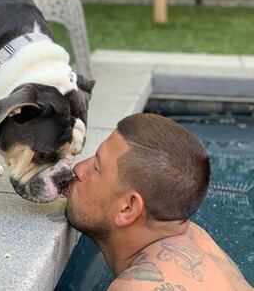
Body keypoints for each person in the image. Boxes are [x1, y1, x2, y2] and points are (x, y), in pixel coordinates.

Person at [64, 113, 252, 291]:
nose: (78, 168)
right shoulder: (194, 237)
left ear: (128, 208)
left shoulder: (136, 288)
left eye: (96, 168)